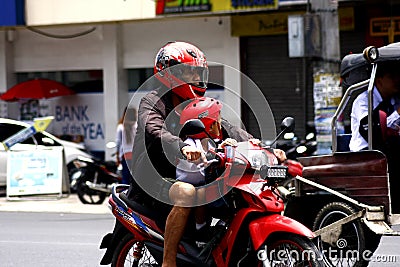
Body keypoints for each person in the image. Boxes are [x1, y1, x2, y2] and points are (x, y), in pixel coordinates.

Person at [126, 41, 286, 267]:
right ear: (168, 73)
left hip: (194, 171)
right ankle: (168, 261)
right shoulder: (152, 101)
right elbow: (155, 130)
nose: (194, 77)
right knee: (187, 193)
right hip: (155, 178)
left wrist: (262, 148)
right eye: (188, 71)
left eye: (197, 72)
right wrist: (182, 146)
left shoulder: (198, 103)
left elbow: (226, 127)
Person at [349, 60, 400, 213]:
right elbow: (372, 129)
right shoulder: (363, 101)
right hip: (365, 155)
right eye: (392, 77)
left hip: (387, 150)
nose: (397, 80)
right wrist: (398, 114)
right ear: (379, 80)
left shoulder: (393, 100)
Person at [115, 106, 137, 184]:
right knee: (135, 179)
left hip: (125, 156)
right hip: (136, 156)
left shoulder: (121, 127)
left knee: (125, 178)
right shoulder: (137, 125)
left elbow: (118, 143)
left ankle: (124, 194)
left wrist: (117, 156)